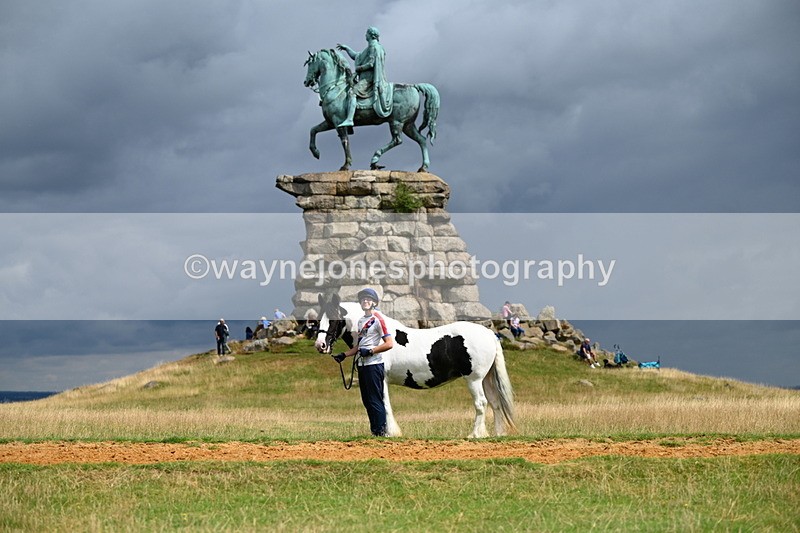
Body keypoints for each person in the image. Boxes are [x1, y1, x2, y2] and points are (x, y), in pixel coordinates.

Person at [332, 288, 393, 437]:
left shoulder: (378, 319)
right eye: (363, 299)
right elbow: (360, 346)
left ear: (374, 302)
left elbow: (389, 343)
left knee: (375, 399)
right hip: (362, 365)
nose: (365, 301)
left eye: (368, 299)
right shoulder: (361, 321)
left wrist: (371, 351)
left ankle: (381, 432)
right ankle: (375, 432)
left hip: (374, 364)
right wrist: (344, 355)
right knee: (367, 400)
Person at [336, 26, 393, 127]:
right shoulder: (374, 47)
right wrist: (347, 48)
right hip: (367, 78)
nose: (365, 35)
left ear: (370, 35)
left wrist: (359, 68)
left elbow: (371, 64)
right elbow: (357, 56)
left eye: (366, 33)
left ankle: (349, 119)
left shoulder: (373, 47)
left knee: (352, 93)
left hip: (369, 79)